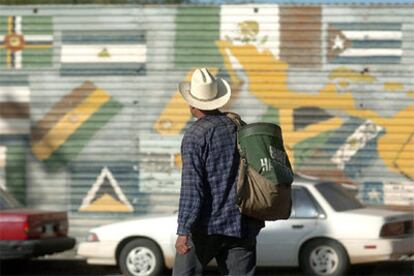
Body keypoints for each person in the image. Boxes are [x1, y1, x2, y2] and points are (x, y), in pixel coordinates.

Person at [172, 68, 264, 276]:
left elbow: (192, 189)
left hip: (207, 225)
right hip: (243, 223)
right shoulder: (240, 127)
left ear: (193, 103)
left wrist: (183, 231)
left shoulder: (196, 135)